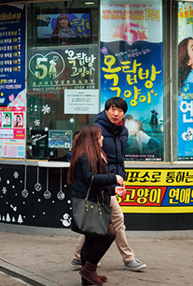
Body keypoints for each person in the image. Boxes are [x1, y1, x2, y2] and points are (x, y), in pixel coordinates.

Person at [71, 97, 147, 272]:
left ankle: (79, 258)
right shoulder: (96, 129)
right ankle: (128, 258)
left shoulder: (124, 131)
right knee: (113, 219)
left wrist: (119, 179)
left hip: (110, 182)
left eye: (120, 110)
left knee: (95, 222)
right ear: (106, 110)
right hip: (101, 181)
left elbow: (119, 159)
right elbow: (92, 160)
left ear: (124, 114)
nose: (115, 113)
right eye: (112, 109)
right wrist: (111, 180)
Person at [68, 125, 124, 286]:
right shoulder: (86, 156)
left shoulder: (93, 154)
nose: (102, 139)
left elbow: (95, 181)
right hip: (91, 204)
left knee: (91, 239)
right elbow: (91, 179)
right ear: (92, 139)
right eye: (100, 137)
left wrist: (113, 189)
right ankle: (88, 270)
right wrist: (114, 178)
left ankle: (87, 277)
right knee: (109, 234)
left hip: (95, 201)